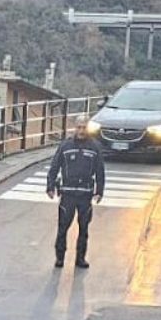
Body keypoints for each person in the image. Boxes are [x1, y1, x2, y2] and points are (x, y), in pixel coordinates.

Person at [45, 115, 106, 269]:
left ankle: (80, 258)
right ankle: (60, 258)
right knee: (62, 228)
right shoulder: (65, 146)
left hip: (85, 195)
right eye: (79, 127)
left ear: (88, 128)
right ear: (74, 128)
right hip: (68, 194)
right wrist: (50, 186)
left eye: (84, 127)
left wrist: (99, 191)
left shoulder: (95, 147)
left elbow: (100, 170)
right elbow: (54, 166)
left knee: (84, 229)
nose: (81, 130)